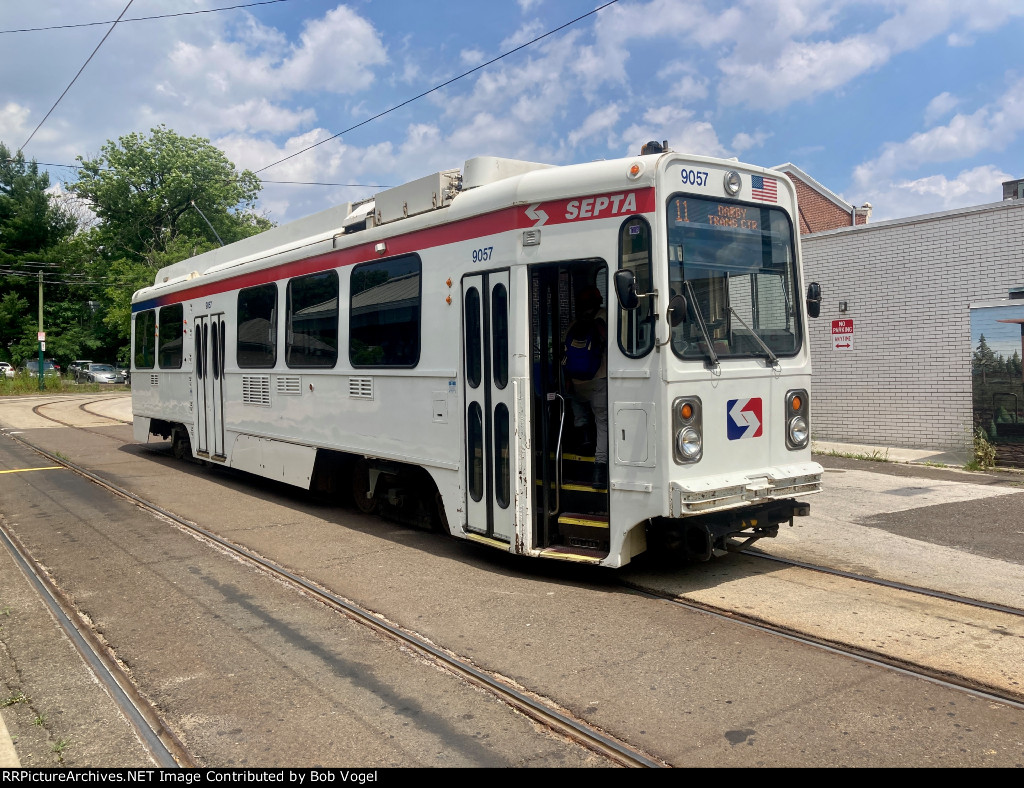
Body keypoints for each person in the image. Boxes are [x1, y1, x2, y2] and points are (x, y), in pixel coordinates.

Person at [564, 286, 608, 490]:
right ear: (598, 301)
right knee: (603, 422)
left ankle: (584, 435)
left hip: (577, 382)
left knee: (573, 399)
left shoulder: (574, 323)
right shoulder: (605, 317)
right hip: (599, 379)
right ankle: (599, 470)